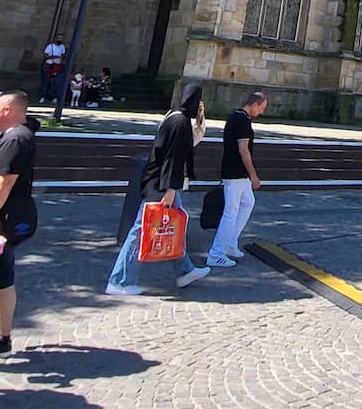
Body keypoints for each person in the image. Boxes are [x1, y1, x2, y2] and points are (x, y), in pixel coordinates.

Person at [105, 83, 210, 295]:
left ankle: (185, 271)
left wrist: (199, 119)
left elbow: (186, 146)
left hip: (158, 180)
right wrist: (171, 188)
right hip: (161, 184)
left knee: (174, 226)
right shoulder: (180, 123)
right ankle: (120, 281)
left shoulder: (173, 117)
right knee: (142, 230)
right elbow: (174, 158)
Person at [0, 91, 38, 354]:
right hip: (5, 223)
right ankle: (2, 339)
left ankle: (2, 338)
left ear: (7, 110)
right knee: (1, 275)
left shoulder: (16, 139)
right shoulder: (16, 137)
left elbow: (4, 183)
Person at [207, 92, 268, 269]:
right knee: (230, 212)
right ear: (255, 104)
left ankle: (230, 243)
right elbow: (243, 149)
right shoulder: (242, 120)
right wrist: (253, 174)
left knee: (248, 202)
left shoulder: (239, 117)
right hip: (236, 173)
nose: (262, 112)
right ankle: (216, 253)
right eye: (262, 108)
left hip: (237, 173)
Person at [39, 34, 66, 103]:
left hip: (57, 65)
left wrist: (60, 60)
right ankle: (43, 96)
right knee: (46, 81)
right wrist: (54, 57)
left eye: (61, 38)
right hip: (48, 65)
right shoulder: (50, 46)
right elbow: (45, 55)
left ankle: (54, 97)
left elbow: (63, 55)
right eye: (59, 38)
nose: (60, 40)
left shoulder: (62, 47)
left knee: (56, 82)